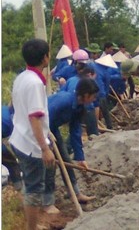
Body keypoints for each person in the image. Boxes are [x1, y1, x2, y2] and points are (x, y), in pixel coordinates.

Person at [9, 38, 56, 229]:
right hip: (31, 145)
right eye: (49, 54)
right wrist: (44, 148)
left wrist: (46, 132)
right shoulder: (35, 83)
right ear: (45, 58)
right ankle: (32, 227)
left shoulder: (22, 77)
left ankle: (33, 224)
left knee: (30, 183)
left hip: (19, 138)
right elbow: (34, 118)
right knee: (35, 188)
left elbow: (14, 106)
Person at [45, 78, 99, 210]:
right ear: (86, 95)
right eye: (93, 96)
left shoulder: (80, 107)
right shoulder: (64, 101)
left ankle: (76, 193)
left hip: (53, 129)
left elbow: (75, 131)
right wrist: (47, 144)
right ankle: (48, 203)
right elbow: (44, 116)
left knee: (66, 159)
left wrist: (80, 158)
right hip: (40, 128)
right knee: (50, 165)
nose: (94, 99)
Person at [2, 105, 23, 191]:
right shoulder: (14, 120)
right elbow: (15, 143)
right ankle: (18, 188)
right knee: (12, 163)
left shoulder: (5, 110)